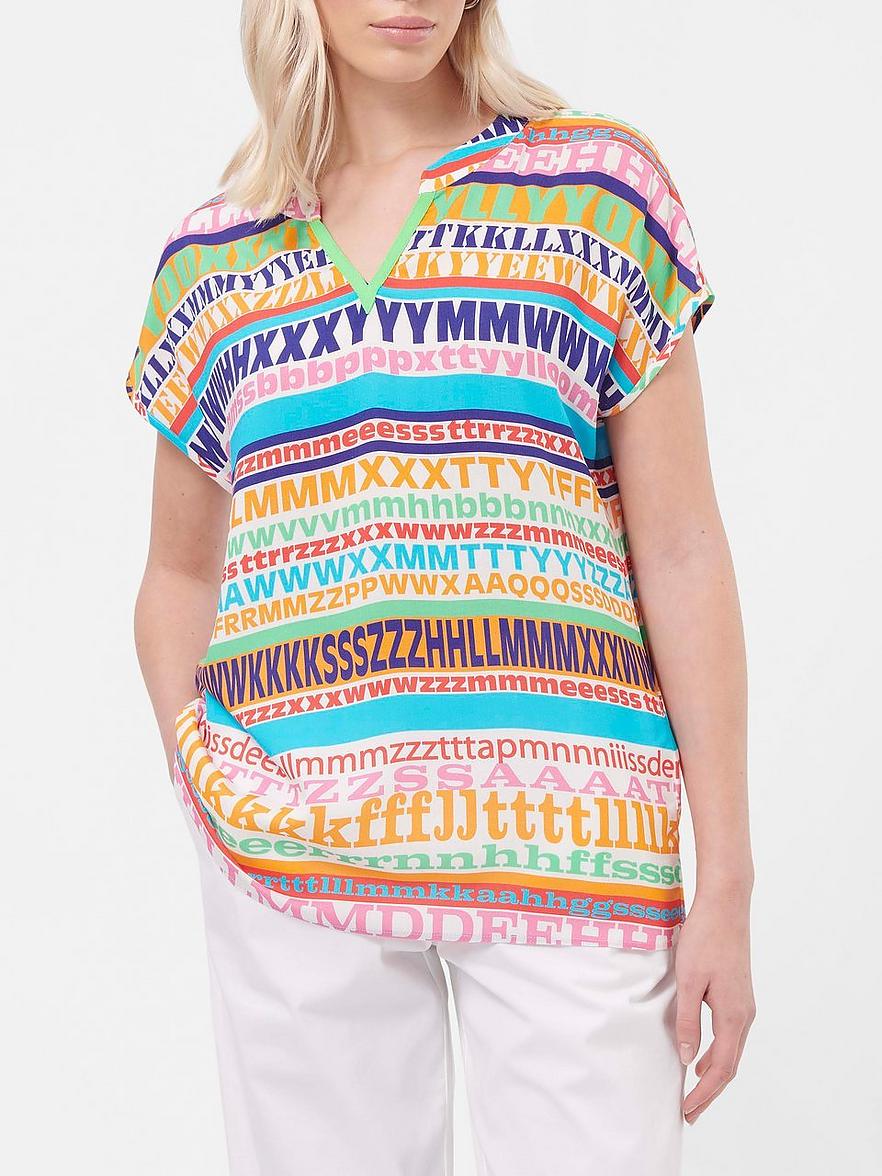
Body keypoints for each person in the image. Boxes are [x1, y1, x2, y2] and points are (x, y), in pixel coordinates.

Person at [125, 2, 756, 1173]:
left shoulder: (595, 194)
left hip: (569, 841)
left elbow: (682, 547)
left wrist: (728, 878)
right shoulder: (215, 258)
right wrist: (201, 777)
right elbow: (177, 572)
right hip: (288, 852)